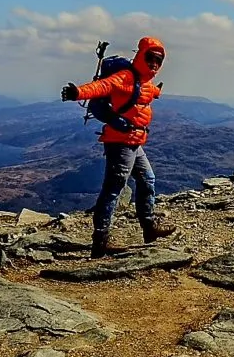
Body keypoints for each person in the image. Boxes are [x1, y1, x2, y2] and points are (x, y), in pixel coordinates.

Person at [60, 36, 176, 258]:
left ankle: (149, 228)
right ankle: (100, 242)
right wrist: (78, 93)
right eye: (150, 58)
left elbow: (149, 93)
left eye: (158, 61)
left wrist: (158, 91)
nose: (154, 64)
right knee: (114, 189)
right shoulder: (125, 77)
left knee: (147, 179)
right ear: (141, 57)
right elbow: (102, 86)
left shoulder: (145, 82)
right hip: (120, 142)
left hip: (134, 142)